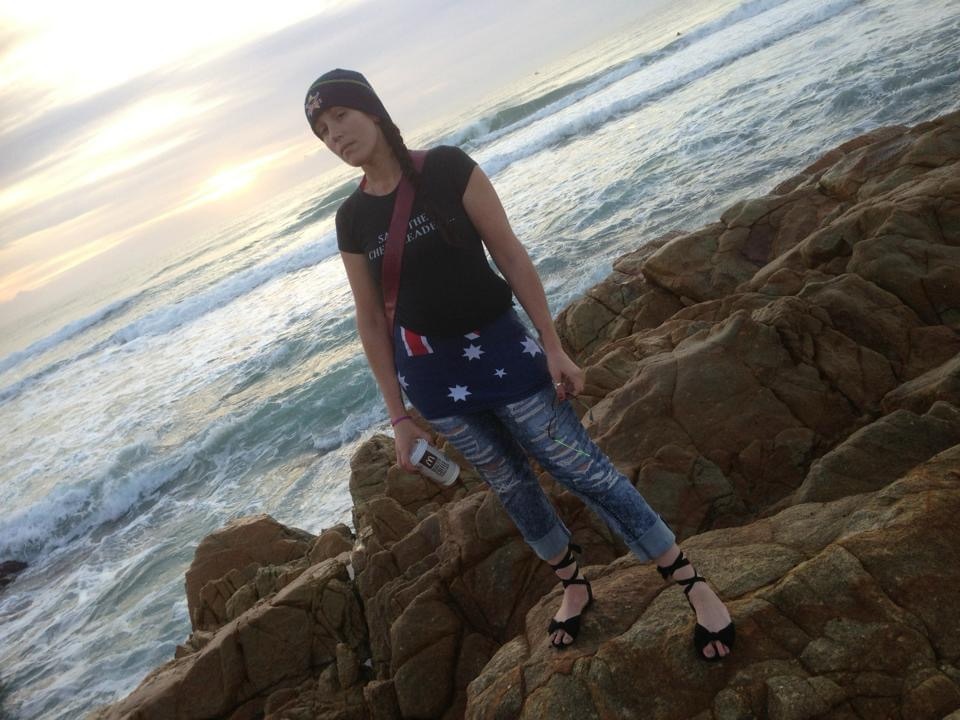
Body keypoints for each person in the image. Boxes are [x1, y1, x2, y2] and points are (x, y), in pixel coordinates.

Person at [305, 68, 735, 660]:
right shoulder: (351, 219)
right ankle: (573, 584)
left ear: (372, 111)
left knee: (581, 467)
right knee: (510, 484)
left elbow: (509, 254)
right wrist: (398, 417)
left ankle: (691, 582)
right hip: (433, 380)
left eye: (341, 117)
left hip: (504, 353)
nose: (335, 136)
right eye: (323, 131)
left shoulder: (447, 169)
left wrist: (553, 345)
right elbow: (371, 319)